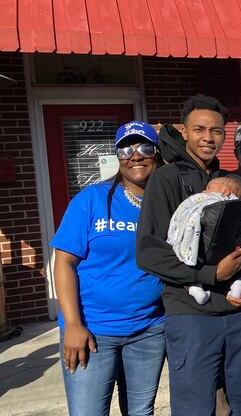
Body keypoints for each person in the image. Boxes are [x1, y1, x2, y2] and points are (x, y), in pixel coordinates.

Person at [136, 94, 241, 416]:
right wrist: (210, 275)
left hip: (239, 311)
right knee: (194, 407)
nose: (208, 138)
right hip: (191, 314)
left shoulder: (234, 182)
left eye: (216, 131)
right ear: (184, 131)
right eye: (199, 129)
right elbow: (149, 253)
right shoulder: (165, 179)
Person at [52, 121, 165, 416]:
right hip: (93, 330)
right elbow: (63, 262)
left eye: (144, 147)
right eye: (125, 149)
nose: (135, 155)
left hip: (149, 329)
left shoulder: (167, 202)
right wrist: (73, 325)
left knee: (141, 412)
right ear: (117, 156)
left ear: (156, 152)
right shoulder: (91, 200)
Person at [167, 176, 241, 305]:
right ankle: (237, 288)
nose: (204, 191)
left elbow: (186, 211)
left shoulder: (208, 201)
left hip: (201, 261)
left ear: (225, 192)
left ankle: (195, 289)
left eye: (208, 188)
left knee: (191, 266)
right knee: (238, 273)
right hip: (235, 257)